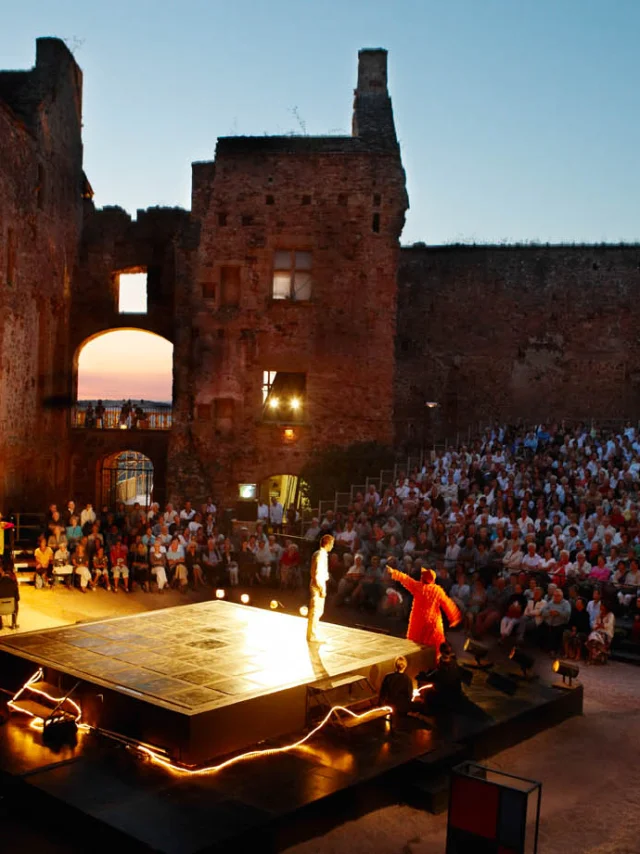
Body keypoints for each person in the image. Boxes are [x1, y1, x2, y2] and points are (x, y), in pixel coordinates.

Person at [387, 565, 461, 660]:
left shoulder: (418, 587)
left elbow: (405, 579)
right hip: (433, 624)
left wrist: (393, 572)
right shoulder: (437, 591)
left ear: (422, 578)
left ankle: (415, 662)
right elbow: (447, 603)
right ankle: (434, 664)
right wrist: (454, 617)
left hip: (418, 622)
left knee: (414, 646)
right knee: (435, 647)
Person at [307, 534, 334, 643]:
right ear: (328, 544)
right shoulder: (320, 555)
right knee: (315, 610)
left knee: (317, 610)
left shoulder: (320, 554)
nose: (332, 546)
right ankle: (312, 635)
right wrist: (321, 588)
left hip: (319, 584)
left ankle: (314, 633)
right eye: (332, 544)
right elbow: (317, 573)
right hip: (318, 585)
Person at [0, 564, 19, 629]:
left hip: (0, 608)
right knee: (16, 603)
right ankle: (14, 623)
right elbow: (18, 598)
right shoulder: (14, 584)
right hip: (11, 609)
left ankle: (0, 624)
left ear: (3, 573)